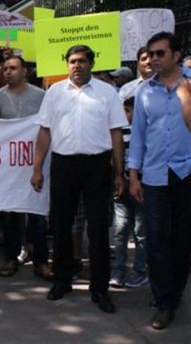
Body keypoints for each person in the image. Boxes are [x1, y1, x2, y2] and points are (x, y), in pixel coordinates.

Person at [31, 45, 127, 314]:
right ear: (66, 64)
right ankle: (62, 281)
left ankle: (100, 290)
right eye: (72, 61)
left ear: (92, 63)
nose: (76, 65)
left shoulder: (107, 93)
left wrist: (119, 174)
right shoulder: (54, 93)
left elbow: (116, 134)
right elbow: (44, 133)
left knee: (97, 229)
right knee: (60, 225)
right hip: (63, 165)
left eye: (82, 61)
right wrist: (37, 168)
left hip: (98, 166)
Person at [128, 32, 191, 330]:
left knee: (183, 240)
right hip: (154, 176)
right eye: (150, 54)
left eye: (159, 53)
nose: (152, 59)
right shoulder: (144, 92)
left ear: (176, 55)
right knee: (155, 239)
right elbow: (138, 135)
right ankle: (164, 300)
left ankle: (174, 293)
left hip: (187, 173)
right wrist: (134, 175)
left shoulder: (190, 83)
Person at [0, 56, 52, 280]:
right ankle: (10, 257)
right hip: (10, 167)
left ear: (24, 71)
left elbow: (46, 127)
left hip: (37, 162)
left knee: (37, 215)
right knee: (11, 215)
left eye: (13, 68)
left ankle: (41, 261)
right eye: (5, 68)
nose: (8, 72)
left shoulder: (41, 95)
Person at [110, 96, 147, 289]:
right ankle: (118, 269)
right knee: (120, 229)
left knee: (140, 231)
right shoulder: (119, 132)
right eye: (124, 110)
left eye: (129, 111)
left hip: (143, 186)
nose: (126, 115)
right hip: (121, 186)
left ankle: (140, 270)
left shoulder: (147, 132)